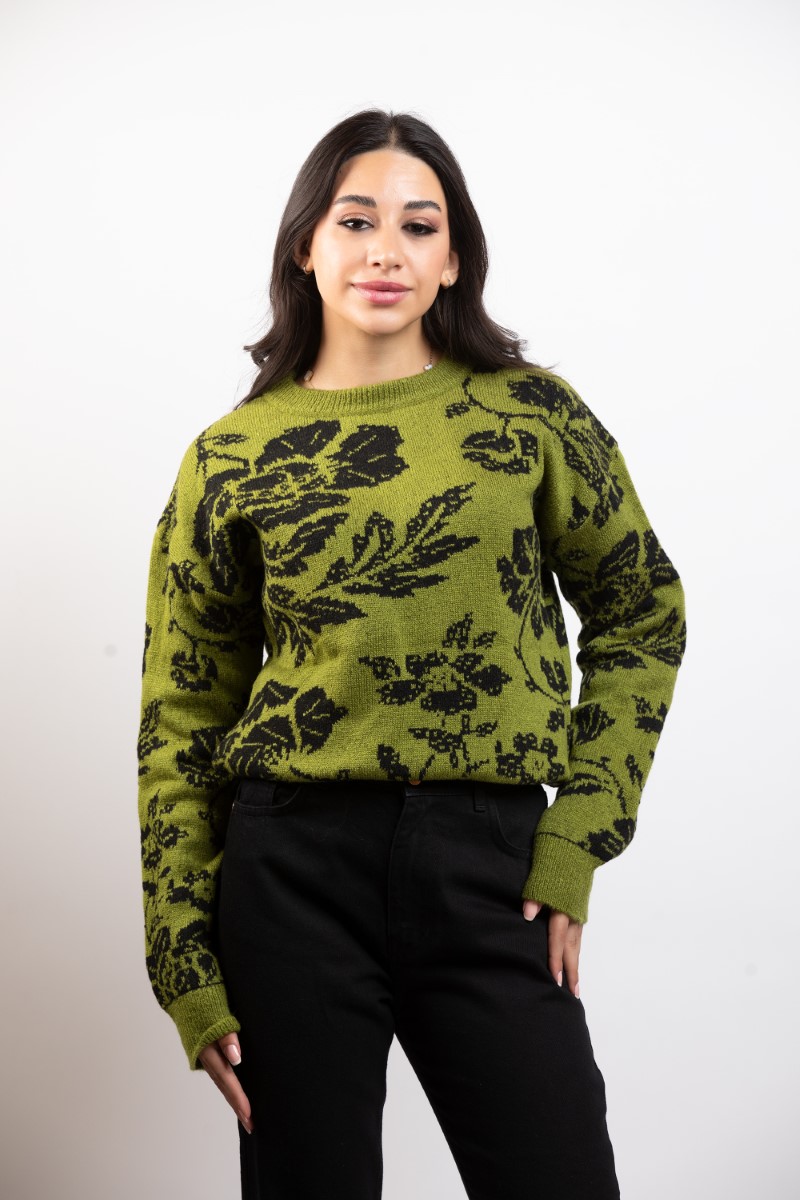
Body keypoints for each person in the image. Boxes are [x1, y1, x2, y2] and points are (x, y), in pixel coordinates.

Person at [137, 108, 687, 1199]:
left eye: (418, 226)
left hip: (490, 864)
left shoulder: (531, 418)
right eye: (355, 220)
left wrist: (576, 837)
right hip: (288, 875)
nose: (384, 250)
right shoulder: (230, 456)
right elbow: (182, 715)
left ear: (452, 261)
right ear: (306, 245)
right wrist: (183, 959)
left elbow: (641, 612)